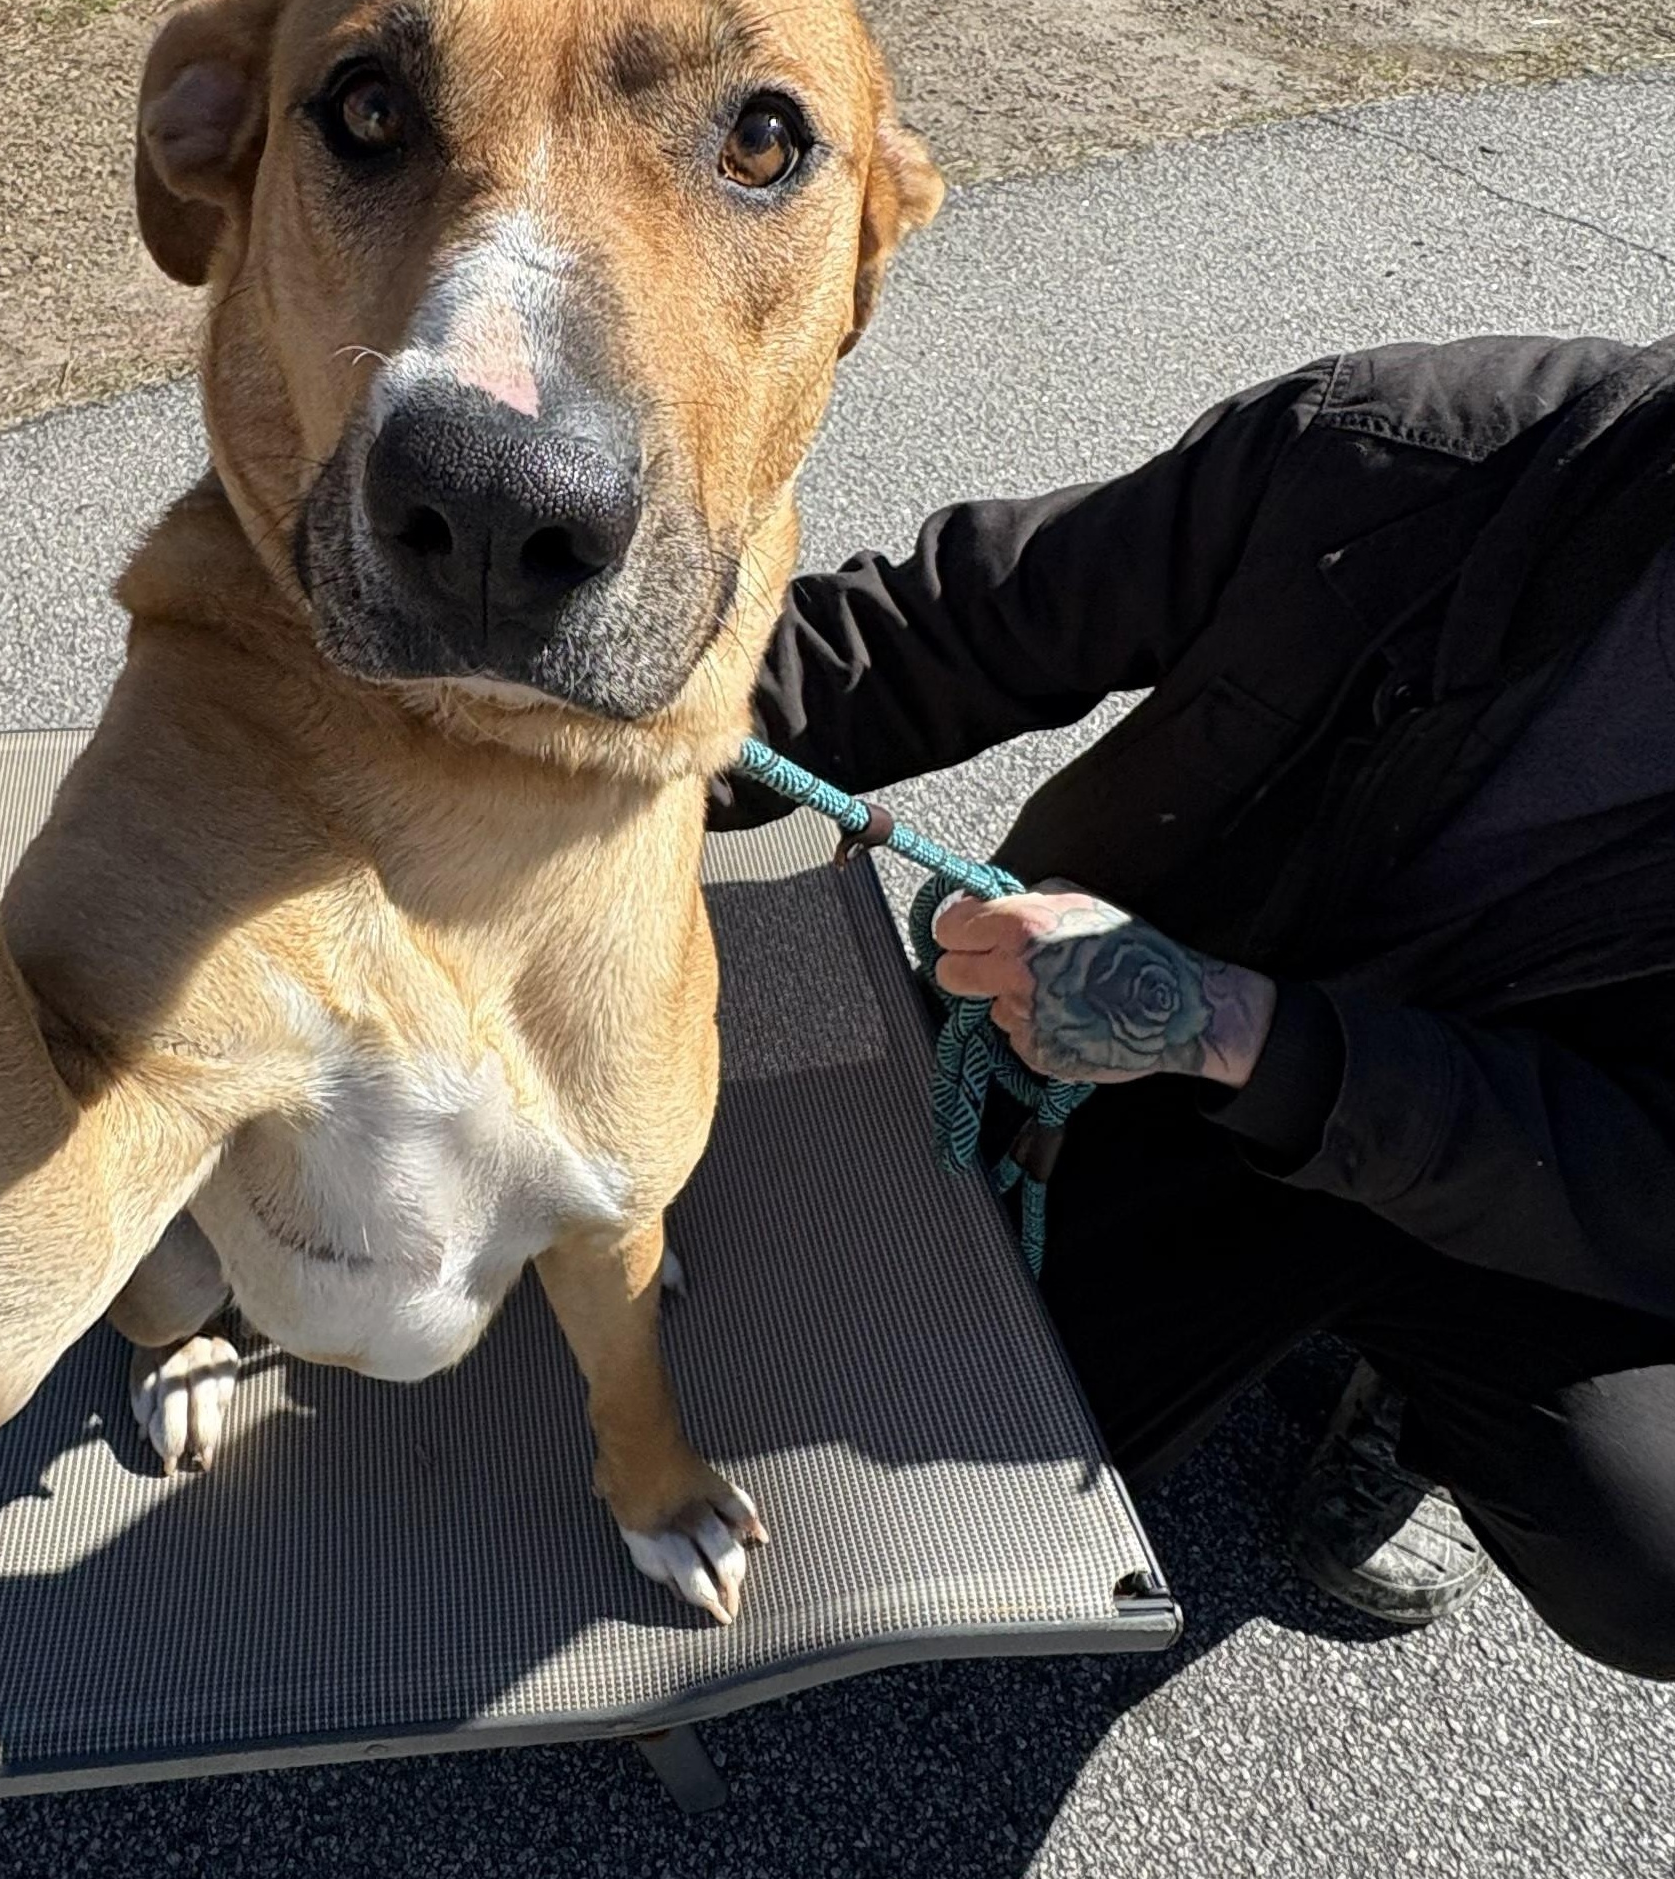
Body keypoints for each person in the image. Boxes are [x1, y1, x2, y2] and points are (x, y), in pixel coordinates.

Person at [712, 334, 1675, 1678]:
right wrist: (593, 742)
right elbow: (959, 626)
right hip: (1152, 1065)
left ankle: (1416, 1400)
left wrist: (1240, 1031)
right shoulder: (1401, 453)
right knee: (951, 1401)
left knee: (1656, 1562)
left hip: (1541, 1189)